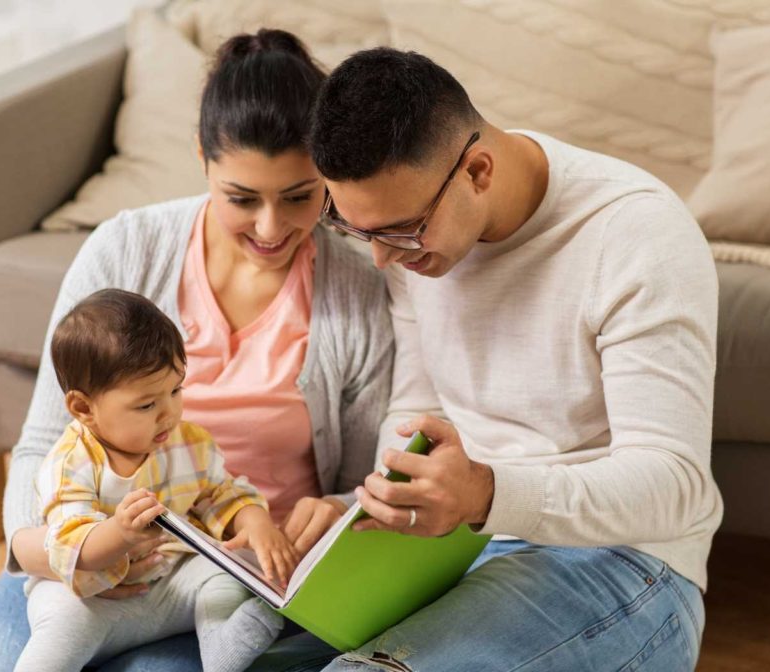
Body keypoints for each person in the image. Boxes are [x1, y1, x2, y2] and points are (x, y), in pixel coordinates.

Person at [0, 30, 393, 672]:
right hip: (77, 562)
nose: (271, 229)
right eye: (242, 198)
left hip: (233, 578)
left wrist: (330, 512)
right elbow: (42, 441)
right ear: (201, 158)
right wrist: (50, 556)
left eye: (300, 197)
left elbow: (361, 482)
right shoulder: (125, 249)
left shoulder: (357, 291)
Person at [289, 47, 723, 671]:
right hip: (458, 545)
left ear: (479, 171)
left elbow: (674, 485)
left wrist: (485, 495)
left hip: (623, 560)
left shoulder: (636, 236)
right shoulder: (413, 244)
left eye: (401, 230)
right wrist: (374, 506)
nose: (382, 259)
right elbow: (418, 406)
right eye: (357, 229)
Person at [14, 288, 296, 672]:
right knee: (62, 625)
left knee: (224, 573)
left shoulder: (190, 443)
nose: (169, 414)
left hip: (168, 584)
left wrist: (257, 523)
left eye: (176, 390)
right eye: (147, 405)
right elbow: (69, 546)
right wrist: (120, 533)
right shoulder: (70, 462)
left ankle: (224, 652)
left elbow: (222, 494)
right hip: (93, 598)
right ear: (84, 408)